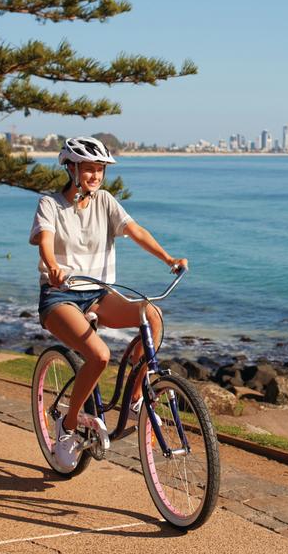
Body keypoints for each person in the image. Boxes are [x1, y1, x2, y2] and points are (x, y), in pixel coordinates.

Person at [30, 136, 187, 471]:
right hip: (60, 296)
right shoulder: (50, 204)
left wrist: (167, 258)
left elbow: (136, 230)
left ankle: (133, 401)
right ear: (71, 169)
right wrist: (53, 267)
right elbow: (45, 241)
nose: (95, 176)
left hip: (99, 294)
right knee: (99, 355)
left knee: (152, 316)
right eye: (89, 169)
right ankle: (68, 425)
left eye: (100, 170)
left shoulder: (105, 201)